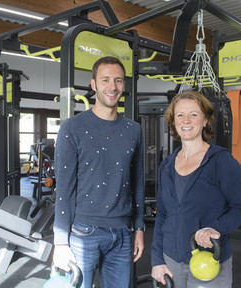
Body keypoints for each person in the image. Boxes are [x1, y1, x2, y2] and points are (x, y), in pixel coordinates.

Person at [52, 56, 146, 288]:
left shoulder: (134, 130)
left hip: (123, 233)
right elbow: (64, 188)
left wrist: (140, 228)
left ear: (124, 85)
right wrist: (61, 242)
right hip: (83, 232)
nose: (112, 87)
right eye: (105, 80)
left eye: (118, 81)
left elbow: (138, 182)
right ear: (93, 84)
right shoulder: (72, 128)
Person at [151, 90, 241, 288]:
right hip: (171, 259)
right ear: (173, 121)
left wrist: (216, 228)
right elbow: (162, 215)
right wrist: (157, 260)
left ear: (205, 120)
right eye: (180, 115)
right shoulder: (167, 165)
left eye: (193, 114)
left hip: (208, 261)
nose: (186, 120)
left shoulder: (221, 161)